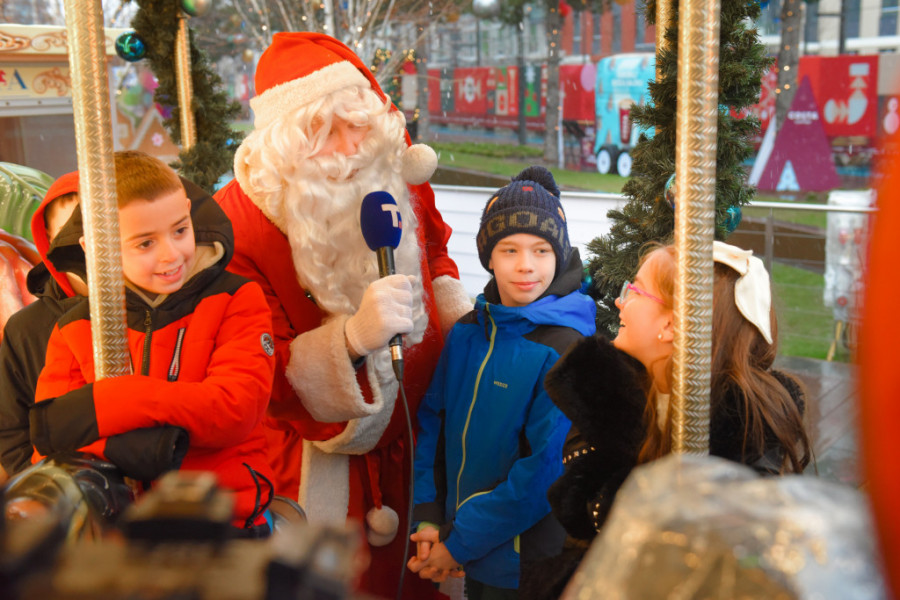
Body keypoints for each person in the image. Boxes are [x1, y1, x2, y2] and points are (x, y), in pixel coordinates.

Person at [214, 32, 471, 596]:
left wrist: (455, 311)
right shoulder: (236, 227)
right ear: (285, 143)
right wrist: (352, 339)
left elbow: (434, 246)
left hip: (426, 434)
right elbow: (262, 370)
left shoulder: (391, 166)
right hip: (323, 464)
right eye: (324, 133)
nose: (350, 146)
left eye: (357, 125)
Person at [520, 240, 813, 599]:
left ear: (672, 324)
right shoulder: (604, 392)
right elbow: (580, 507)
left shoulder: (748, 426)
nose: (620, 301)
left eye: (635, 291)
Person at [28, 151, 277, 536]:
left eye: (180, 230)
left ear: (190, 213)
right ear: (97, 247)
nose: (171, 254)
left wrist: (111, 403)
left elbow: (233, 410)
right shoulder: (74, 327)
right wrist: (146, 444)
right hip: (117, 530)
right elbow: (53, 434)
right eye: (145, 243)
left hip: (223, 518)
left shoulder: (236, 299)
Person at [407, 166, 598, 599]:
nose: (526, 265)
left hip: (525, 566)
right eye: (509, 249)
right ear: (488, 257)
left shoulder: (566, 348)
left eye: (541, 251)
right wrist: (429, 517)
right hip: (464, 549)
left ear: (560, 256)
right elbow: (433, 425)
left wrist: (457, 543)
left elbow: (541, 474)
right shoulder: (467, 334)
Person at [0, 172, 88, 482]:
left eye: (89, 229)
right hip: (63, 486)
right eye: (67, 232)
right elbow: (11, 430)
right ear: (48, 237)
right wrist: (48, 487)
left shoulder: (150, 308)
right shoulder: (26, 329)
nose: (81, 244)